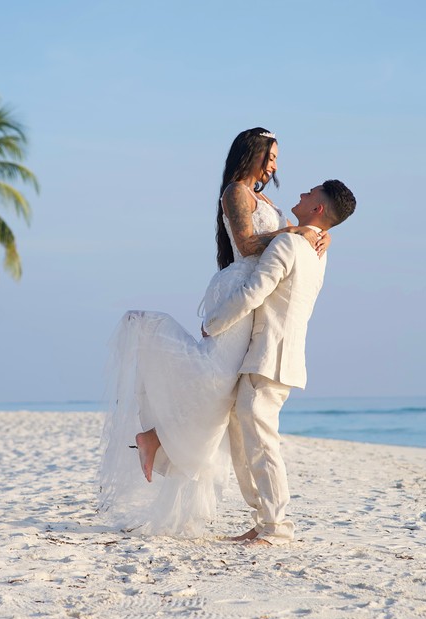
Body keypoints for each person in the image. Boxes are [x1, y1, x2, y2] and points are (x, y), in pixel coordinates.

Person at [97, 128, 327, 536]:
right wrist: (297, 233)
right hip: (239, 291)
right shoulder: (235, 192)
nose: (275, 165)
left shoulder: (268, 201)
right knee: (214, 381)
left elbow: (295, 245)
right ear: (252, 155)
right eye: (271, 156)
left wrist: (315, 236)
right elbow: (248, 241)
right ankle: (155, 437)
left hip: (256, 301)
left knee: (223, 397)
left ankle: (155, 440)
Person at [204, 180, 357, 545]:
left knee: (262, 444)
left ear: (318, 209)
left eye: (310, 193)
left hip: (269, 357)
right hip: (277, 357)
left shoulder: (290, 243)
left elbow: (255, 292)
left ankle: (276, 526)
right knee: (244, 440)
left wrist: (213, 324)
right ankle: (264, 520)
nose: (302, 194)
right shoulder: (319, 250)